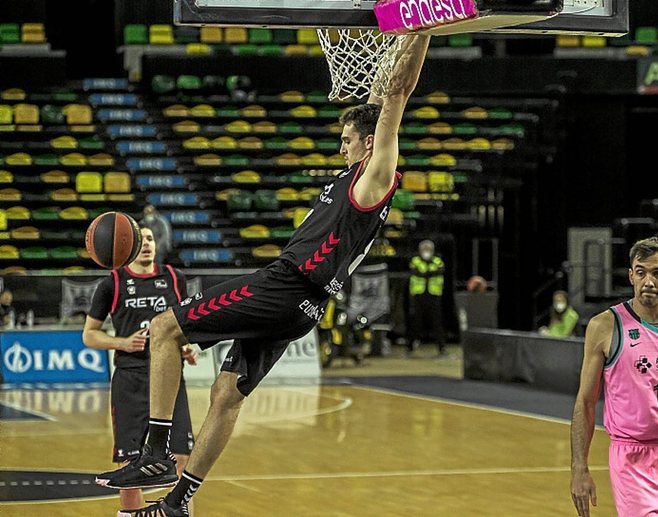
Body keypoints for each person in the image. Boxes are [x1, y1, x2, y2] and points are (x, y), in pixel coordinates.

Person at [96, 34, 432, 517]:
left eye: (347, 139)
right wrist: (400, 36)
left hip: (285, 286)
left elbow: (396, 94)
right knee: (226, 395)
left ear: (370, 142)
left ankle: (154, 454)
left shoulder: (375, 176)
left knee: (165, 328)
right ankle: (177, 504)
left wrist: (421, 26)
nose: (340, 146)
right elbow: (384, 92)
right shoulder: (356, 176)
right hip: (304, 307)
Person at [570, 237, 658, 517]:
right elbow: (585, 402)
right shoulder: (605, 326)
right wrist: (579, 469)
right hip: (635, 460)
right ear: (631, 276)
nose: (648, 281)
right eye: (641, 272)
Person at [83, 225, 198, 514]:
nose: (146, 244)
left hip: (170, 378)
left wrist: (186, 346)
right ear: (128, 246)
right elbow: (89, 335)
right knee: (131, 464)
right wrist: (122, 342)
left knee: (182, 459)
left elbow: (184, 324)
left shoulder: (174, 278)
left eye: (150, 238)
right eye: (140, 239)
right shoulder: (112, 283)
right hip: (130, 378)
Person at [407, 239, 447, 356]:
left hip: (434, 295)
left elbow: (440, 270)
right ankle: (410, 347)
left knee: (437, 322)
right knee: (416, 322)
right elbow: (416, 272)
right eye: (424, 249)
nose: (426, 251)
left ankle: (442, 348)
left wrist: (425, 273)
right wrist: (430, 272)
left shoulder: (438, 261)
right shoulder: (415, 260)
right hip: (418, 295)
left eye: (428, 249)